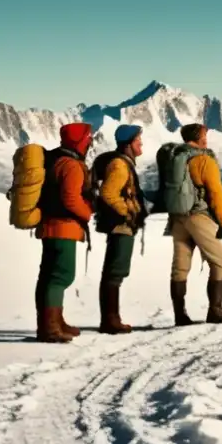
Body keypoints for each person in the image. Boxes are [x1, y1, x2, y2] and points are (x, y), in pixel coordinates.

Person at [167, 123, 222, 325]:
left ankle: (179, 315)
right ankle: (215, 310)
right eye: (204, 135)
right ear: (197, 137)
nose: (206, 138)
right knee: (220, 263)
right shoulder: (203, 160)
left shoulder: (176, 158)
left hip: (177, 218)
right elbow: (216, 193)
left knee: (180, 267)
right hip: (199, 216)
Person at [35, 122, 94, 343]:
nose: (90, 142)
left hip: (50, 226)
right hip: (64, 228)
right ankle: (50, 328)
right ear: (80, 141)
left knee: (48, 276)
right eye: (88, 139)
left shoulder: (57, 161)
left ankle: (53, 322)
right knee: (61, 275)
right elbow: (70, 198)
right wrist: (87, 213)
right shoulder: (71, 165)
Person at [93, 124, 148, 334]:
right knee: (114, 273)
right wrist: (126, 211)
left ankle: (111, 319)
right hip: (120, 226)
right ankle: (110, 321)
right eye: (137, 140)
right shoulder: (119, 165)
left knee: (115, 272)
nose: (141, 143)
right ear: (128, 144)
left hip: (122, 225)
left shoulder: (122, 163)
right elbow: (108, 193)